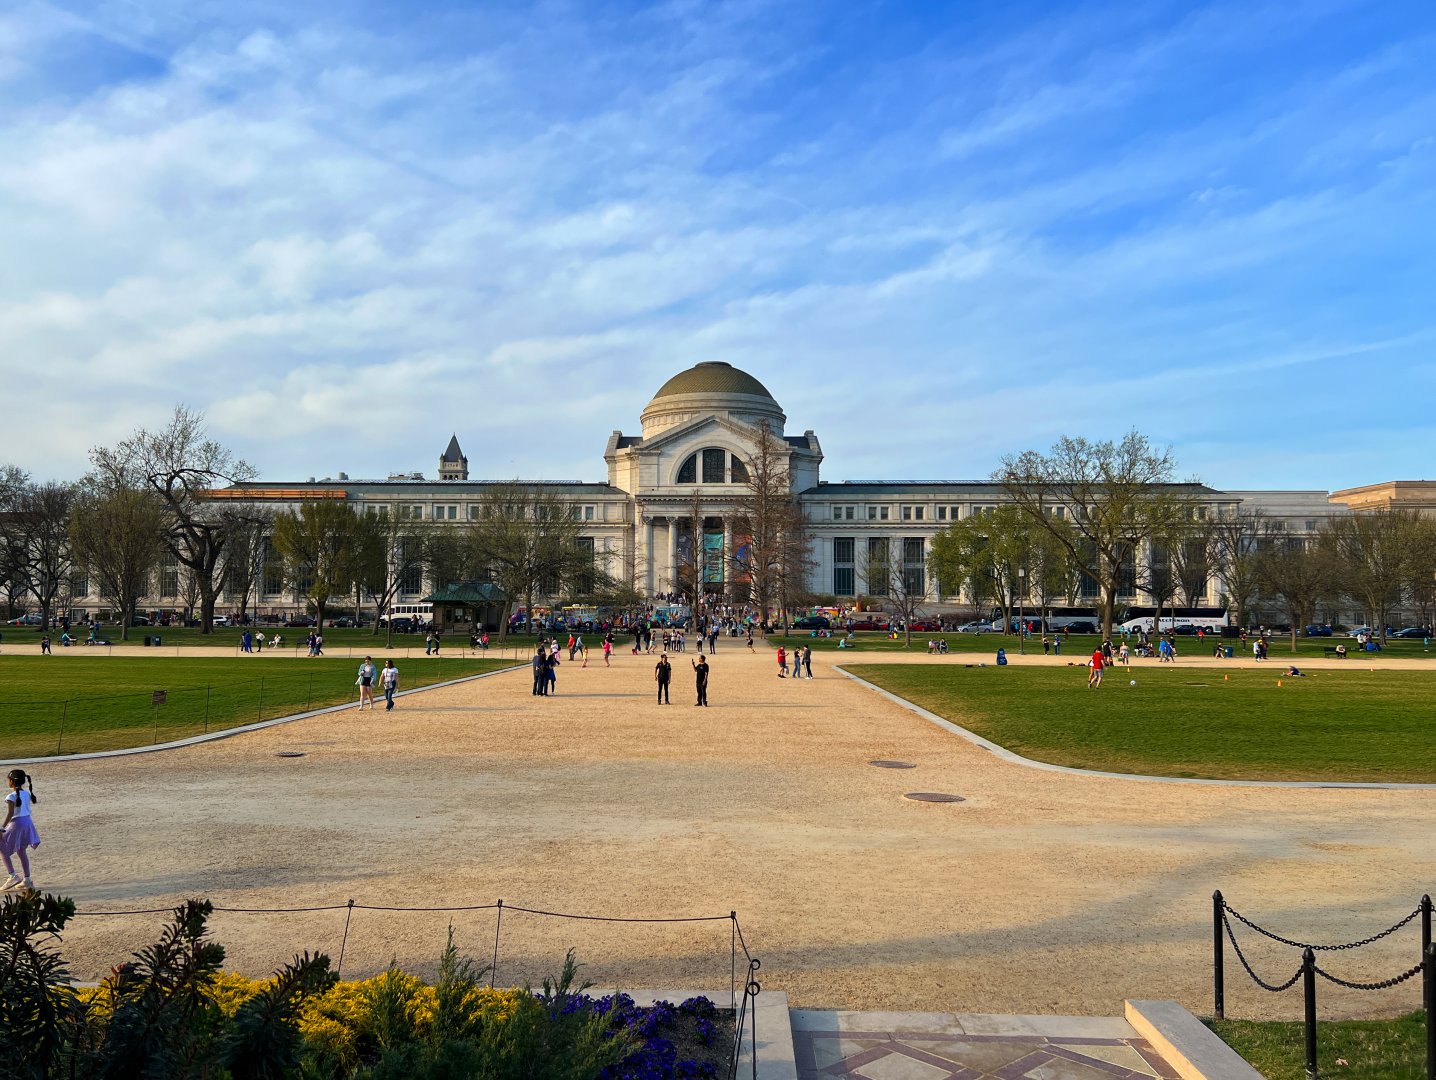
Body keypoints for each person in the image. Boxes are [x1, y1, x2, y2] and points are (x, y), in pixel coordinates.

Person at [1, 769, 39, 892]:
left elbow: (10, 813)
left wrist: (2, 829)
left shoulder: (11, 796)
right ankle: (27, 879)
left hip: (17, 824)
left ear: (12, 781)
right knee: (21, 850)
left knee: (1, 846)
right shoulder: (27, 793)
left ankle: (12, 875)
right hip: (27, 823)